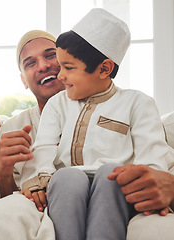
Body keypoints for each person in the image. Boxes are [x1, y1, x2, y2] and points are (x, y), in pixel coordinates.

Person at [20, 8, 169, 240]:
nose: (60, 76)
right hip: (67, 185)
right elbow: (44, 148)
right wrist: (41, 180)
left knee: (112, 173)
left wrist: (150, 187)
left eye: (68, 68)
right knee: (67, 177)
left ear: (104, 69)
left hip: (114, 186)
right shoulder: (58, 104)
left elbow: (153, 155)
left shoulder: (138, 103)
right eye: (61, 66)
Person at [0, 30, 65, 240]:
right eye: (30, 63)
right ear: (24, 80)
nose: (43, 66)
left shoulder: (100, 113)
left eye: (50, 55)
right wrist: (4, 173)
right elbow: (7, 198)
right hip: (29, 210)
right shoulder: (12, 129)